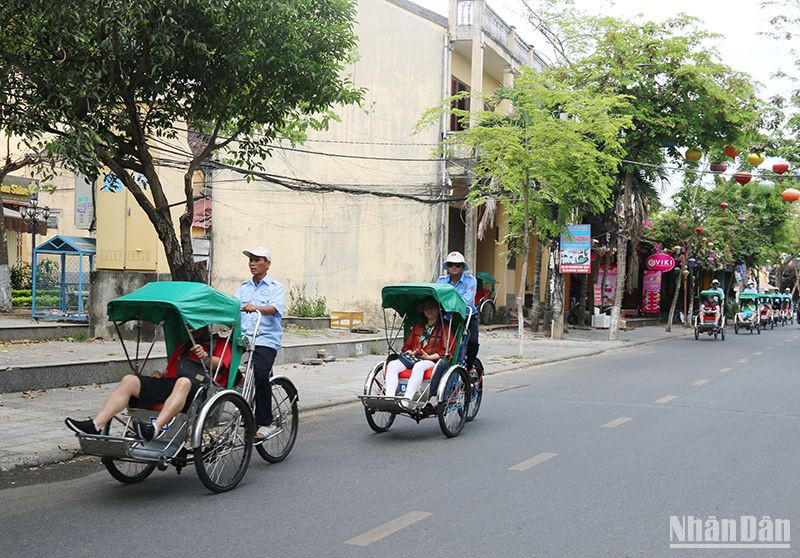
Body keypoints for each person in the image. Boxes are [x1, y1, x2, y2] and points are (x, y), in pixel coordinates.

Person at [65, 327, 231, 441]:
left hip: (200, 390)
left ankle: (155, 428)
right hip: (172, 385)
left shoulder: (222, 344)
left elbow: (221, 364)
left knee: (183, 382)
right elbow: (171, 369)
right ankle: (96, 425)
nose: (193, 328)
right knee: (130, 380)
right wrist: (161, 374)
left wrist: (205, 357)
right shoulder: (184, 345)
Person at [236, 246, 285, 442]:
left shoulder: (275, 287)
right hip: (243, 337)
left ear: (268, 264)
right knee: (218, 364)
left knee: (260, 373)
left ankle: (266, 422)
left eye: (257, 260)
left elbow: (274, 308)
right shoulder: (243, 287)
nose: (252, 263)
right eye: (251, 260)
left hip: (265, 338)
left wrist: (255, 307)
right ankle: (239, 388)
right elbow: (233, 305)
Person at [383, 297, 450, 407]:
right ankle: (389, 399)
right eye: (426, 308)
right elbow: (406, 347)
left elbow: (445, 351)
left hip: (432, 360)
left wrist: (428, 357)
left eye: (432, 308)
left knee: (419, 366)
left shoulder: (444, 328)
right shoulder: (417, 327)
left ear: (438, 310)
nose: (429, 310)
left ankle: (406, 400)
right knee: (392, 365)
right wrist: (411, 352)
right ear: (423, 311)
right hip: (413, 358)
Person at [437, 251, 478, 370]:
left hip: (467, 316)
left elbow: (468, 300)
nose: (454, 267)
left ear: (462, 267)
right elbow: (438, 298)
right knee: (442, 341)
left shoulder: (471, 280)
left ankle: (470, 367)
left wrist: (449, 303)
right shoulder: (442, 281)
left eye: (457, 265)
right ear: (447, 267)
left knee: (473, 342)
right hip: (447, 316)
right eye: (451, 265)